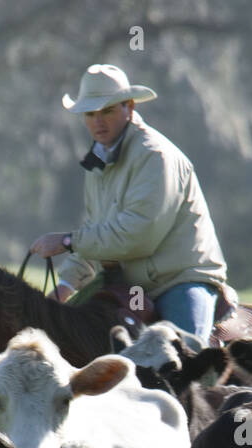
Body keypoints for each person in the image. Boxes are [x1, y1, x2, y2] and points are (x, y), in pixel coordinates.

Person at [29, 64, 231, 343]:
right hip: (130, 287)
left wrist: (66, 241)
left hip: (179, 281)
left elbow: (138, 236)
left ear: (129, 107)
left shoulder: (155, 156)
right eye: (90, 113)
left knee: (184, 359)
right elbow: (98, 232)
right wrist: (66, 285)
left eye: (108, 111)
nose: (98, 121)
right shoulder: (98, 162)